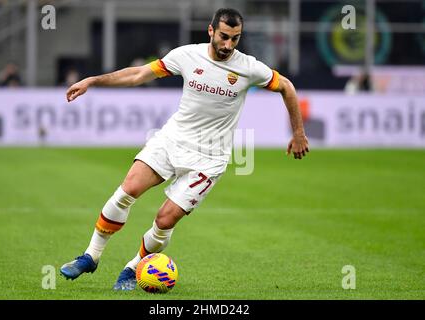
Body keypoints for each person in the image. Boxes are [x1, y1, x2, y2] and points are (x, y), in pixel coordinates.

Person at [60, 8, 309, 291]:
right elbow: (138, 74)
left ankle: (132, 268)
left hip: (210, 158)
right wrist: (93, 80)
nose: (228, 45)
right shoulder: (187, 55)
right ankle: (91, 256)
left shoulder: (248, 67)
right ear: (211, 31)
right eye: (224, 37)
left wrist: (298, 133)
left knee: (164, 219)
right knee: (128, 189)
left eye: (235, 39)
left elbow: (286, 87)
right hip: (172, 141)